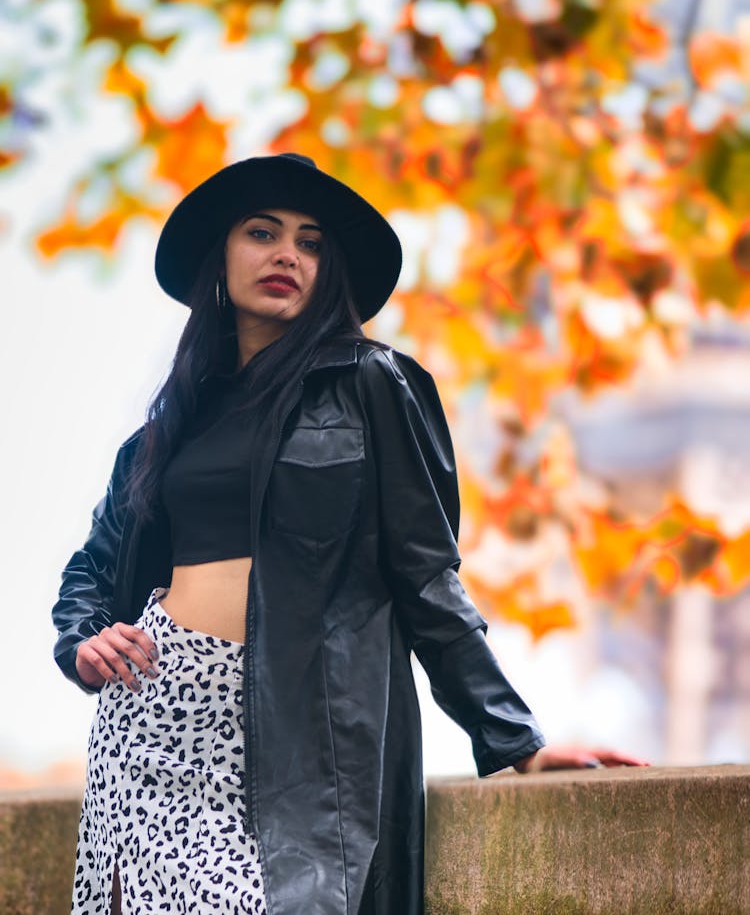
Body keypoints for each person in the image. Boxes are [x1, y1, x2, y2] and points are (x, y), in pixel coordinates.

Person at [52, 152, 645, 915]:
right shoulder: (168, 431)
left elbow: (427, 577)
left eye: (311, 243)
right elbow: (93, 571)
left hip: (297, 738)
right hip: (152, 726)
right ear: (221, 257)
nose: (286, 255)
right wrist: (84, 640)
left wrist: (516, 743)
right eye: (262, 233)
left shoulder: (373, 384)